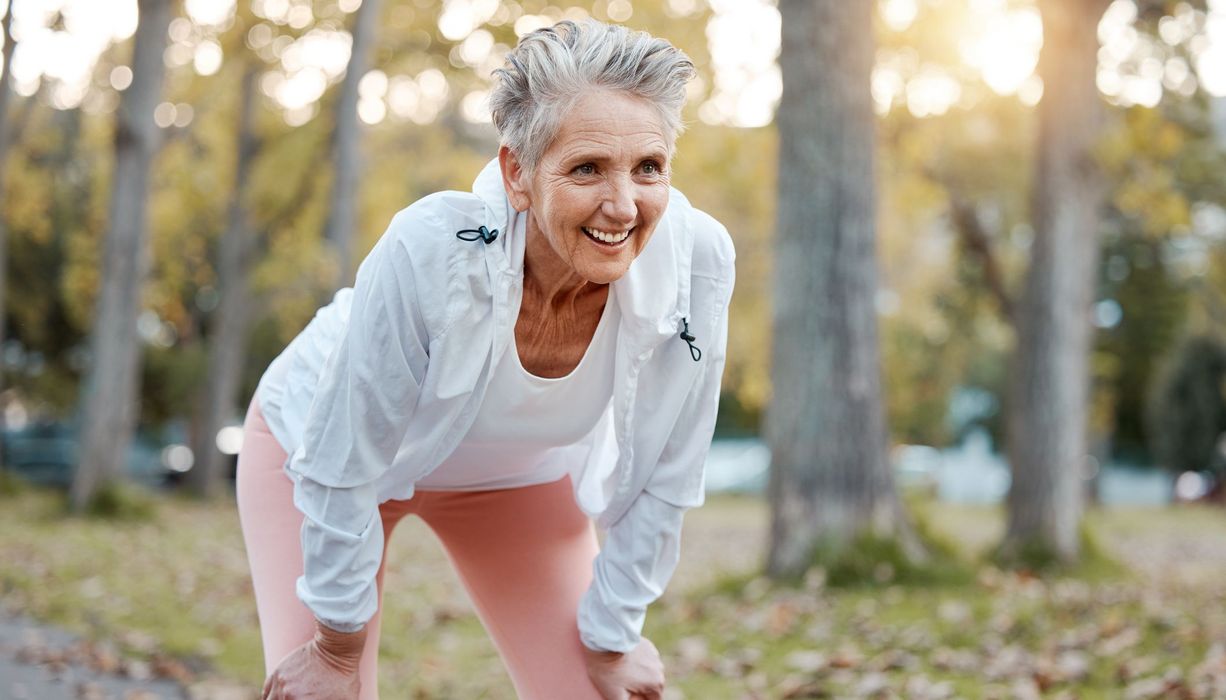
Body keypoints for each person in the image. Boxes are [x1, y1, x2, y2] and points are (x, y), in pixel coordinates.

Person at [238, 19, 735, 700]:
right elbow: (342, 457)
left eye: (648, 168)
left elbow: (669, 469)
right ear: (517, 173)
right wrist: (335, 645)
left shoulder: (696, 262)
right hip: (319, 454)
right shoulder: (430, 249)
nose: (623, 206)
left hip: (513, 479)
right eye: (587, 168)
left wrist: (614, 637)